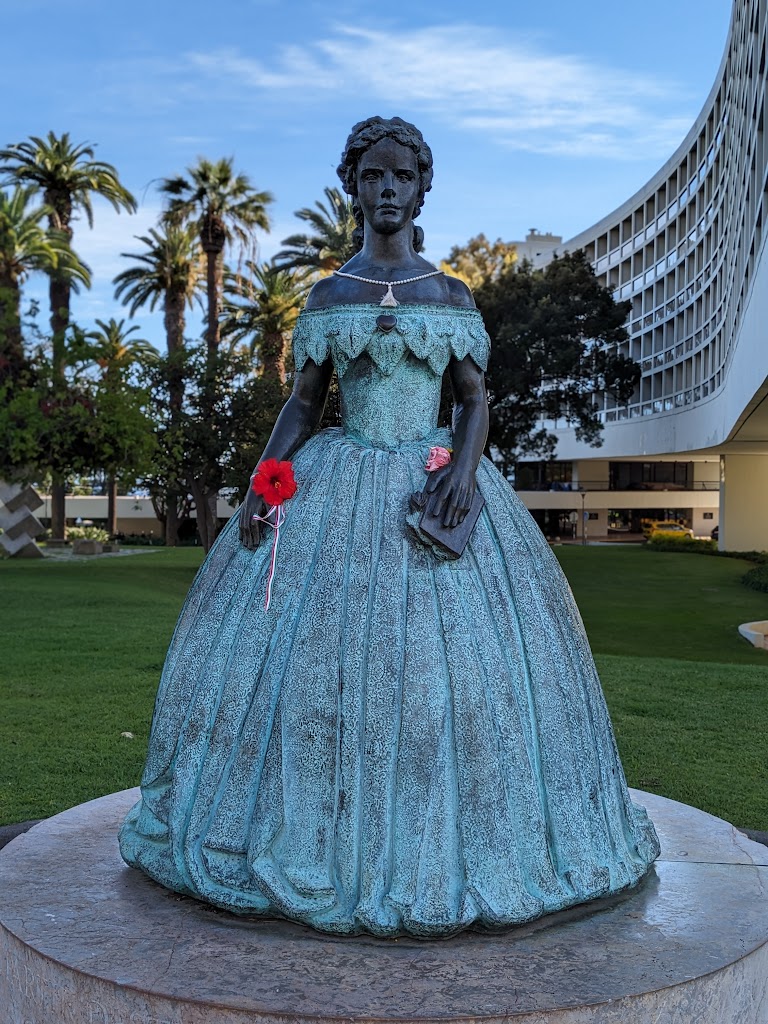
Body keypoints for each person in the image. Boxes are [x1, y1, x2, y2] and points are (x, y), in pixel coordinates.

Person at [119, 116, 659, 938]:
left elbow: (476, 400)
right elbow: (303, 403)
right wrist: (266, 484)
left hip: (431, 485)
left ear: (421, 187)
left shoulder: (448, 295)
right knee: (305, 670)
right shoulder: (331, 294)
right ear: (355, 187)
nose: (387, 190)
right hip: (338, 486)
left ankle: (455, 843)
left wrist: (464, 478)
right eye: (372, 176)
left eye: (401, 176)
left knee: (460, 679)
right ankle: (304, 839)